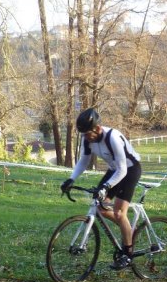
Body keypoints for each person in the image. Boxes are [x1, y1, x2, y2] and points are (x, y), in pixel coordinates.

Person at [60, 108, 142, 270]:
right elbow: (83, 162)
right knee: (99, 207)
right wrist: (71, 179)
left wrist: (106, 186)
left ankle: (128, 253)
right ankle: (127, 229)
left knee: (119, 213)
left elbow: (123, 170)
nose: (85, 137)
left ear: (97, 128)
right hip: (114, 170)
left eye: (87, 133)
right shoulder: (87, 139)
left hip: (130, 169)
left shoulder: (113, 138)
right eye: (82, 134)